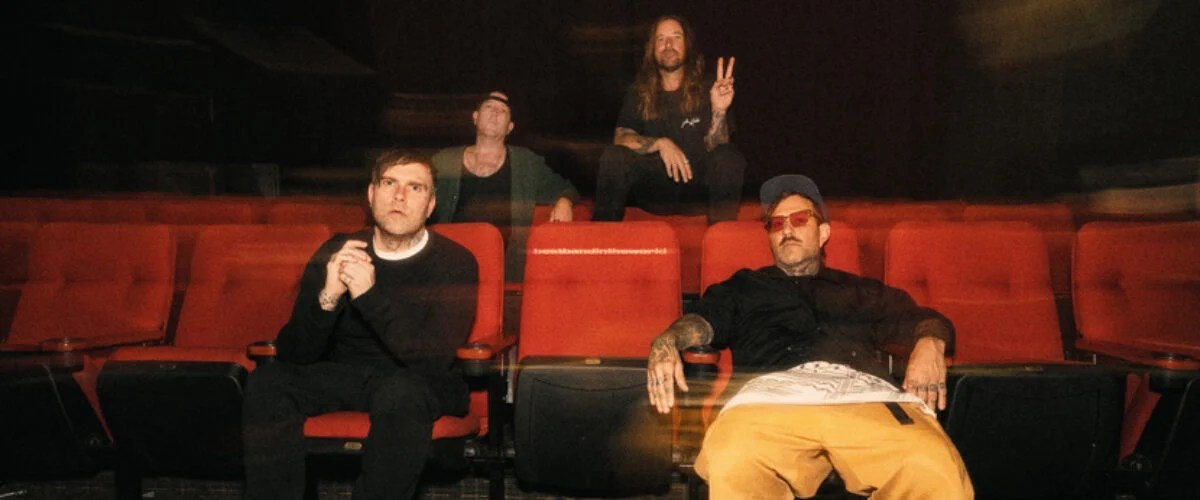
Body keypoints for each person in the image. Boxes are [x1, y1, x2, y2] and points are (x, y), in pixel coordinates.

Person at [646, 175, 974, 499]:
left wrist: (930, 342)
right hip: (768, 399)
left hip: (862, 395)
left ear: (824, 233)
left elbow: (921, 320)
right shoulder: (744, 287)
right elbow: (702, 321)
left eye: (800, 219)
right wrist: (669, 339)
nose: (787, 230)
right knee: (733, 457)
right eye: (776, 224)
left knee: (933, 466)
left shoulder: (860, 290)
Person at [243, 149, 478, 500]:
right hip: (346, 374)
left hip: (418, 381)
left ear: (430, 205)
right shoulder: (338, 251)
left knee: (401, 393)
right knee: (267, 382)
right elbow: (294, 353)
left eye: (415, 187)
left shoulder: (455, 262)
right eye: (389, 183)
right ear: (371, 194)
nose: (399, 196)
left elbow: (432, 359)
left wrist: (368, 296)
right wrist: (328, 297)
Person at [593, 14, 746, 223]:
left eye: (676, 37)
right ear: (652, 48)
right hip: (655, 190)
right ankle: (602, 238)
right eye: (661, 39)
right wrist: (660, 143)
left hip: (698, 189)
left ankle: (721, 238)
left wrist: (719, 111)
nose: (668, 45)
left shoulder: (709, 87)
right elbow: (621, 137)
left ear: (687, 44)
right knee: (614, 156)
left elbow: (718, 145)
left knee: (729, 156)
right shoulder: (639, 91)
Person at [431, 91, 580, 282]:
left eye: (502, 110)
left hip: (504, 271)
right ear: (475, 117)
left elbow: (567, 189)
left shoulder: (526, 163)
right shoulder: (444, 160)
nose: (495, 113)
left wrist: (565, 202)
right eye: (489, 107)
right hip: (449, 266)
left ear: (510, 127)